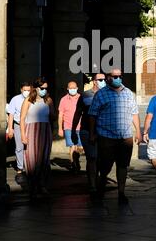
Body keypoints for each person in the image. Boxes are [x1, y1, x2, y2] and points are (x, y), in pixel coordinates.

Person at [88, 68, 141, 205]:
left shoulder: (129, 93)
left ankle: (121, 192)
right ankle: (101, 187)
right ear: (108, 78)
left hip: (125, 136)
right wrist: (92, 134)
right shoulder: (101, 94)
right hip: (106, 136)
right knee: (105, 166)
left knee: (123, 165)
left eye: (120, 76)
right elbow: (92, 115)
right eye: (115, 76)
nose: (118, 78)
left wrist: (138, 132)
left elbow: (134, 114)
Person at [72, 73, 106, 198]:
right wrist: (72, 131)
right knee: (92, 158)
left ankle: (99, 180)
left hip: (104, 132)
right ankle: (92, 184)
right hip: (86, 131)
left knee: (102, 159)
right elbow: (77, 113)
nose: (103, 82)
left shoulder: (108, 95)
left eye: (104, 80)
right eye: (101, 80)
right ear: (95, 81)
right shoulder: (85, 96)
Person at [20, 77, 54, 198]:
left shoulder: (48, 100)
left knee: (44, 159)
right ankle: (32, 185)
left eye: (46, 88)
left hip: (45, 130)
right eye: (42, 88)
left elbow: (52, 116)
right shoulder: (28, 100)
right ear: (36, 88)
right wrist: (23, 135)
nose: (44, 90)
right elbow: (22, 118)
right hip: (31, 131)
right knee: (32, 159)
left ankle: (42, 185)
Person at [7, 82, 31, 174]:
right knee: (19, 147)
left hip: (29, 125)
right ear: (21, 90)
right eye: (25, 90)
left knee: (29, 146)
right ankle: (20, 167)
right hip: (18, 125)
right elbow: (11, 114)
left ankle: (29, 164)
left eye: (29, 90)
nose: (27, 92)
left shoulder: (33, 99)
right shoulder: (15, 99)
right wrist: (10, 128)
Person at [58, 81, 82, 172]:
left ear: (77, 88)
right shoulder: (63, 99)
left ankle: (76, 159)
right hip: (68, 127)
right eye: (70, 88)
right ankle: (74, 165)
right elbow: (60, 115)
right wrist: (60, 128)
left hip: (81, 126)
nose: (73, 90)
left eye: (74, 88)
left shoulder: (81, 98)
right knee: (72, 146)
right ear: (68, 89)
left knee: (80, 147)